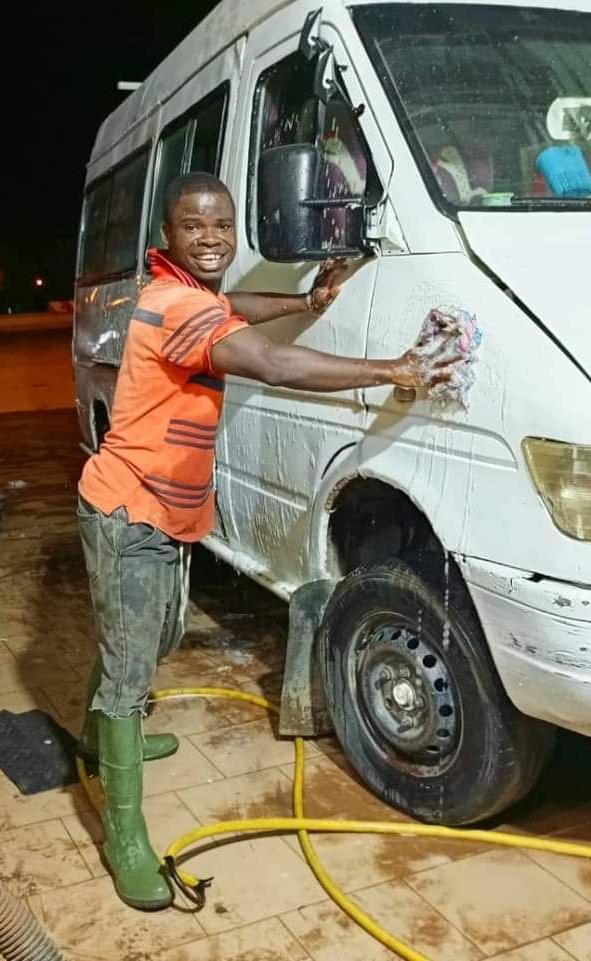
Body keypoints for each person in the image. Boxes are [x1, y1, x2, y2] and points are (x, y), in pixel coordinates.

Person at [76, 171, 456, 911]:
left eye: (222, 225)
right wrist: (393, 370)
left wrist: (304, 300)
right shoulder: (175, 306)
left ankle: (102, 735)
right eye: (195, 226)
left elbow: (237, 307)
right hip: (131, 512)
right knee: (131, 667)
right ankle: (125, 836)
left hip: (156, 511)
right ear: (169, 235)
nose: (212, 238)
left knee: (149, 636)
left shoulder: (188, 292)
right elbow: (273, 362)